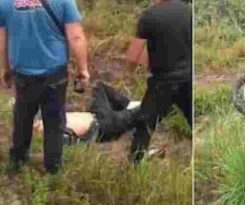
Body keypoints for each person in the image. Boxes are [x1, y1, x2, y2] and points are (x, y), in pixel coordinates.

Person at [0, 0, 89, 174]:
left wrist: (4, 68)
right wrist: (83, 69)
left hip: (23, 73)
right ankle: (53, 167)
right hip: (54, 74)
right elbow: (76, 37)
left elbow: (2, 38)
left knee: (22, 117)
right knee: (54, 122)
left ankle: (17, 161)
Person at [126, 0, 192, 164]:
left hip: (161, 83)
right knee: (193, 118)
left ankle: (135, 166)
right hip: (188, 79)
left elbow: (134, 56)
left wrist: (129, 73)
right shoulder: (188, 11)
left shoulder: (149, 16)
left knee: (145, 123)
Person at [33, 82, 141, 144]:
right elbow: (77, 141)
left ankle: (128, 104)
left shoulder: (39, 120)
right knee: (140, 111)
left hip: (95, 114)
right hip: (102, 124)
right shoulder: (50, 135)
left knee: (99, 86)